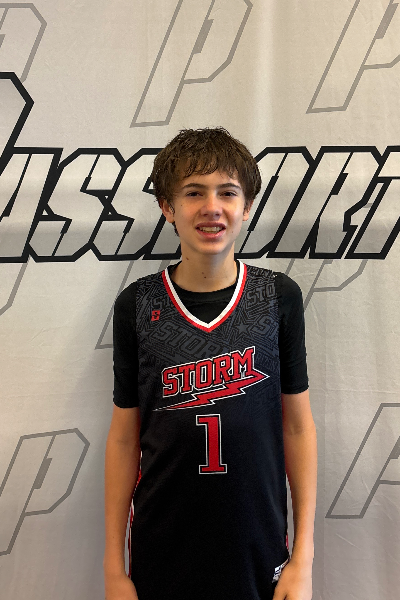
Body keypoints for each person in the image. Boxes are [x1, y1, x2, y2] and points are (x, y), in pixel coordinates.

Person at [104, 127, 317, 600]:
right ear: (167, 207)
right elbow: (122, 438)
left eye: (227, 192)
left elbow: (298, 427)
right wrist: (113, 567)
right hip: (162, 546)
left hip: (258, 545)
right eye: (194, 192)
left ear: (247, 207)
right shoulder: (137, 304)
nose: (212, 207)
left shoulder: (277, 297)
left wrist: (303, 557)